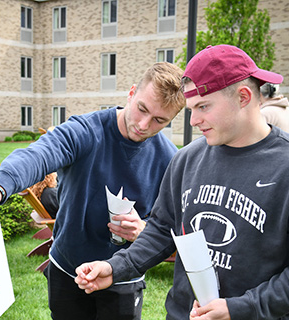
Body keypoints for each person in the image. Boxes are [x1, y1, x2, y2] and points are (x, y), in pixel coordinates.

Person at [0, 62, 186, 320]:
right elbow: (40, 155)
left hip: (123, 279)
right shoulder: (86, 130)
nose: (144, 124)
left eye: (159, 120)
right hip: (67, 269)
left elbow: (168, 227)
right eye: (142, 109)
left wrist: (142, 230)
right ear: (131, 93)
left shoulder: (170, 159)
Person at [75, 44, 289, 320]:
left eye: (203, 107)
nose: (194, 120)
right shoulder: (187, 159)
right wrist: (117, 267)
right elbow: (162, 229)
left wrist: (239, 309)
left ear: (243, 97)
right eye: (191, 108)